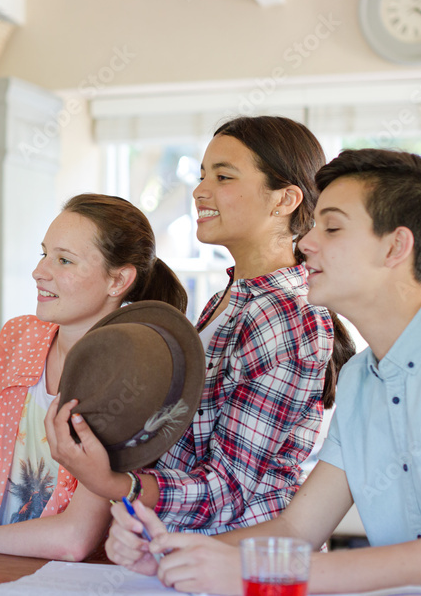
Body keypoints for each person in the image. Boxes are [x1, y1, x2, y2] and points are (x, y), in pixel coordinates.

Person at [107, 149, 421, 593]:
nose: (307, 242)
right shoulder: (359, 379)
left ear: (396, 246)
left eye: (332, 228)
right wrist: (171, 553)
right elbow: (297, 531)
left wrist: (240, 572)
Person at [47, 116, 355, 534]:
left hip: (240, 570)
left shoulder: (285, 315)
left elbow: (228, 490)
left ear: (284, 200)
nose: (199, 191)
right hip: (185, 559)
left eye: (223, 176)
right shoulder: (229, 300)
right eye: (201, 175)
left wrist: (114, 483)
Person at [0, 193, 188, 560]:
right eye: (44, 254)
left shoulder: (131, 373)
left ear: (118, 280)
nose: (39, 271)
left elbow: (75, 539)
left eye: (64, 260)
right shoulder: (18, 335)